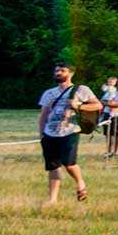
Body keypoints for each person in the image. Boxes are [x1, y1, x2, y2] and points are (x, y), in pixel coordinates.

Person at [37, 63, 99, 204]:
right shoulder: (49, 93)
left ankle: (80, 183)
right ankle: (52, 200)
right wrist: (42, 134)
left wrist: (78, 105)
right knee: (53, 167)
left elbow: (97, 105)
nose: (58, 72)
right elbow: (43, 115)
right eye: (56, 70)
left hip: (70, 130)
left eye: (62, 70)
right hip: (50, 133)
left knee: (69, 164)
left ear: (70, 73)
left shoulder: (81, 90)